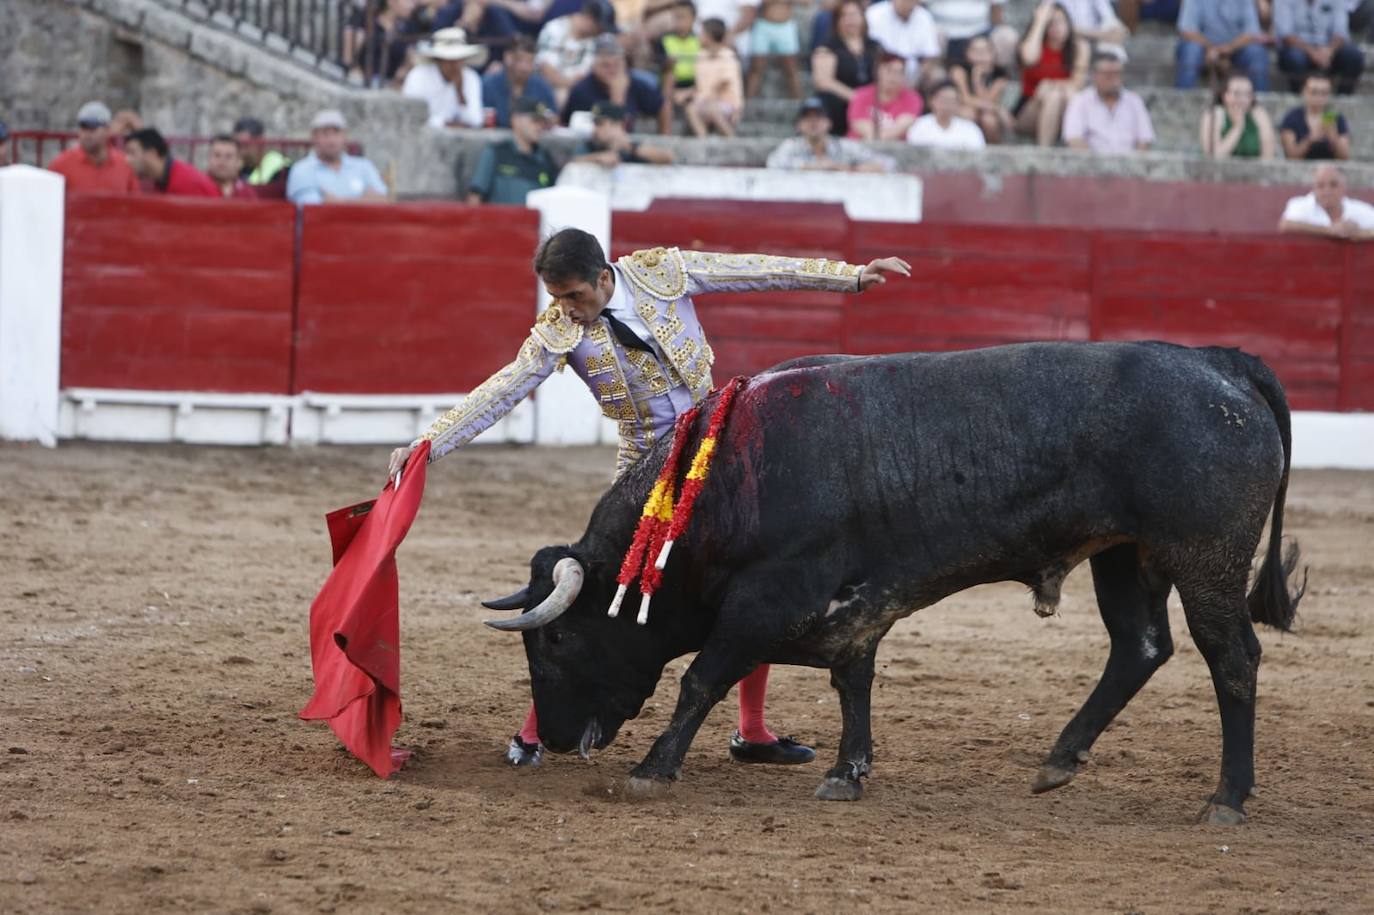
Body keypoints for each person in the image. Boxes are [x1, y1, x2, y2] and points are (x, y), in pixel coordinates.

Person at [384, 228, 913, 767]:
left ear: (602, 276)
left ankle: (752, 730)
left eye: (575, 296)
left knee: (756, 577)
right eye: (557, 298)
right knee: (594, 598)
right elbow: (503, 389)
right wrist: (429, 444)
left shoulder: (661, 274)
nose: (568, 308)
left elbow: (754, 268)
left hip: (720, 448)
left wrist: (849, 277)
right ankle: (536, 730)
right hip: (643, 470)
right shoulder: (558, 331)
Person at [1016, 2, 1088, 147]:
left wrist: (1050, 85)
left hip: (1064, 105)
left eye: (1060, 21)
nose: (1056, 27)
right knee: (1054, 95)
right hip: (1030, 109)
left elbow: (1078, 84)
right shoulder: (1031, 43)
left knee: (1061, 94)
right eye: (1050, 22)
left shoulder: (1079, 47)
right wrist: (1040, 21)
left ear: (1068, 23)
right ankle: (1045, 153)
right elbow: (1029, 58)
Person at [563, 34, 669, 132]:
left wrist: (665, 137)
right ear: (593, 66)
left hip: (626, 145)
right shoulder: (582, 90)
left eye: (617, 64)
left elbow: (661, 105)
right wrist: (617, 96)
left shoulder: (632, 82)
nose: (612, 70)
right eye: (606, 65)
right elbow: (610, 134)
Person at [467, 98, 560, 203]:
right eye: (534, 120)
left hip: (533, 219)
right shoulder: (496, 153)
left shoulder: (546, 160)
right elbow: (475, 197)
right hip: (500, 219)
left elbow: (554, 200)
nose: (539, 126)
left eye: (543, 122)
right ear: (516, 120)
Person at [766, 96, 896, 171]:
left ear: (829, 123)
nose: (813, 122)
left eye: (819, 117)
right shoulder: (792, 146)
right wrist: (813, 167)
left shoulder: (843, 147)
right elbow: (773, 163)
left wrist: (848, 169)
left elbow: (888, 164)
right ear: (799, 125)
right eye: (808, 118)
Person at [287, 110, 389, 204]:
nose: (332, 140)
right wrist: (364, 200)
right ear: (314, 137)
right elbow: (313, 208)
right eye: (325, 134)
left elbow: (383, 200)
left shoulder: (364, 166)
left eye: (336, 133)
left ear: (345, 136)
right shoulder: (302, 169)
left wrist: (336, 200)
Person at [1062, 51, 1154, 154]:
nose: (1113, 79)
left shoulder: (1134, 101)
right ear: (1095, 76)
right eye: (1107, 74)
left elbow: (1144, 140)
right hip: (1089, 166)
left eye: (1117, 74)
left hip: (1130, 165)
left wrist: (1132, 164)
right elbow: (1074, 139)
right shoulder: (1080, 101)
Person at [812, 0, 881, 137]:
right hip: (840, 101)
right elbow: (823, 82)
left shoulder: (875, 46)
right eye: (845, 15)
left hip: (871, 101)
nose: (850, 20)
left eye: (854, 15)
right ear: (837, 20)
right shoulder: (827, 47)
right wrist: (856, 98)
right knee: (828, 100)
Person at [46, 102, 141, 195]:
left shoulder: (125, 165)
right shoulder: (62, 164)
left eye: (93, 127)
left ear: (107, 130)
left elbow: (135, 203)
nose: (87, 133)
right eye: (83, 127)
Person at [402, 28, 489, 128]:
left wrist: (460, 92)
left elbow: (475, 120)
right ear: (438, 60)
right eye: (449, 60)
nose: (455, 65)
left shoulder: (470, 77)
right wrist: (444, 124)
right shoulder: (418, 76)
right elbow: (412, 116)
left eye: (459, 59)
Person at [1174, 0, 1269, 91]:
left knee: (1257, 53)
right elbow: (1187, 30)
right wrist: (1211, 49)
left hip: (1235, 50)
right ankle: (1183, 97)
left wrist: (1228, 49)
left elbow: (1252, 32)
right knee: (1191, 50)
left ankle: (1259, 102)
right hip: (1203, 49)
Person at [1274, 0, 1365, 94]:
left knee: (1353, 56)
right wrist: (1312, 53)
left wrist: (1329, 51)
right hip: (1298, 49)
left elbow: (1341, 33)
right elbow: (1286, 35)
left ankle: (1343, 97)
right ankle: (1301, 98)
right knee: (1294, 58)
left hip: (1327, 50)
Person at [536, 0, 611, 103]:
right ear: (589, 18)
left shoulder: (596, 39)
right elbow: (546, 71)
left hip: (584, 93)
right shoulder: (555, 29)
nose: (601, 33)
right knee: (561, 94)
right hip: (549, 91)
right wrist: (570, 84)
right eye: (599, 28)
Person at [683, 18, 745, 136]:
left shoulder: (728, 56)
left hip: (727, 105)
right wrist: (687, 93)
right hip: (704, 101)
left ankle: (731, 139)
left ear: (709, 36)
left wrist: (703, 97)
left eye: (701, 33)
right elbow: (699, 85)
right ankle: (703, 139)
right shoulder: (700, 56)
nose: (698, 36)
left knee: (712, 109)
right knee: (691, 109)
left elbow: (723, 83)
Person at [1279, 164, 1374, 239]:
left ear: (1343, 187)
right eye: (1321, 185)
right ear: (1314, 188)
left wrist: (1361, 233)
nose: (1327, 191)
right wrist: (1329, 230)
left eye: (1333, 185)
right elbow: (1286, 225)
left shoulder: (1359, 208)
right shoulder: (1300, 204)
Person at [483, 36, 560, 127]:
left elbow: (554, 118)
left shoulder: (541, 87)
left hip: (531, 139)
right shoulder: (489, 85)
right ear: (508, 57)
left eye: (530, 62)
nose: (525, 68)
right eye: (521, 60)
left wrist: (544, 119)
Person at [847, 51, 924, 140]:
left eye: (899, 72)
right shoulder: (861, 95)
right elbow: (861, 127)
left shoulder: (912, 98)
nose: (893, 76)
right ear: (878, 72)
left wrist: (878, 136)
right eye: (889, 71)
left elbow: (900, 129)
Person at [950, 33, 1012, 143]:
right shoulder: (958, 70)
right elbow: (964, 98)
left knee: (989, 120)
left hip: (986, 112)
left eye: (985, 51)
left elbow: (987, 101)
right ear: (967, 53)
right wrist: (997, 109)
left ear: (993, 53)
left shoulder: (1000, 75)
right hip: (964, 108)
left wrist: (977, 80)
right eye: (976, 51)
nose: (981, 55)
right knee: (968, 114)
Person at [123, 128, 220, 197]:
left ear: (152, 153)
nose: (126, 159)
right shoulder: (160, 182)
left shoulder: (188, 184)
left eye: (132, 153)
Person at [1199, 73, 1277, 159]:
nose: (1243, 99)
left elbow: (1268, 157)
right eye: (1237, 94)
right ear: (1224, 95)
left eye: (1248, 94)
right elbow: (1214, 156)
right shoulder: (1214, 114)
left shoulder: (1259, 114)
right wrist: (1238, 127)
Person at [572, 101, 678, 162]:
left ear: (617, 125)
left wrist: (631, 149)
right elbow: (571, 163)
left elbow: (668, 158)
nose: (595, 128)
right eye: (594, 124)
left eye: (600, 123)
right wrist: (597, 158)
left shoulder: (632, 148)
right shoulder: (589, 145)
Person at [866, 0, 942, 84]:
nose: (908, 4)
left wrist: (916, 78)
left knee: (937, 76)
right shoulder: (874, 14)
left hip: (914, 74)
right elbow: (869, 48)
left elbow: (930, 56)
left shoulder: (924, 16)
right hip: (883, 68)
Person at [925, 0, 1018, 69]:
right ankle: (936, 81)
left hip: (980, 31)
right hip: (942, 32)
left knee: (1006, 36)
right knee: (933, 35)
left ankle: (997, 78)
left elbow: (997, 13)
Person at [1279, 73, 1351, 160]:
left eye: (1324, 93)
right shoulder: (1292, 118)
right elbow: (1290, 156)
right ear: (1304, 92)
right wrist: (1309, 141)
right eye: (1314, 92)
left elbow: (1345, 157)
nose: (1319, 97)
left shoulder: (1335, 117)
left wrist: (1334, 139)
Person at [906, 79, 987, 148]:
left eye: (952, 101)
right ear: (931, 100)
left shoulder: (970, 129)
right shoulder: (920, 125)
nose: (947, 105)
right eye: (944, 100)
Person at [746, 0, 802, 98]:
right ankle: (748, 103)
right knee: (756, 68)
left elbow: (806, 2)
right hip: (764, 25)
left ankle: (798, 104)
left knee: (791, 68)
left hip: (785, 26)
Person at [657, 0, 702, 112]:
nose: (679, 21)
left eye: (683, 17)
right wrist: (668, 63)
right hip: (674, 82)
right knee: (669, 77)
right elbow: (660, 64)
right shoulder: (664, 39)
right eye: (676, 17)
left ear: (693, 19)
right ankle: (666, 109)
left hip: (695, 82)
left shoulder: (700, 40)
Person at [233, 117, 292, 190]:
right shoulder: (237, 167)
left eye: (246, 146)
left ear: (261, 141)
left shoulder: (281, 167)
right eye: (238, 146)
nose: (242, 152)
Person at [1058, 0, 1127, 45]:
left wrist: (1119, 31)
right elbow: (1062, 28)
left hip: (1098, 40)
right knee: (1082, 46)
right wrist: (1101, 35)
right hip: (1069, 42)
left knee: (1113, 62)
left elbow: (1110, 19)